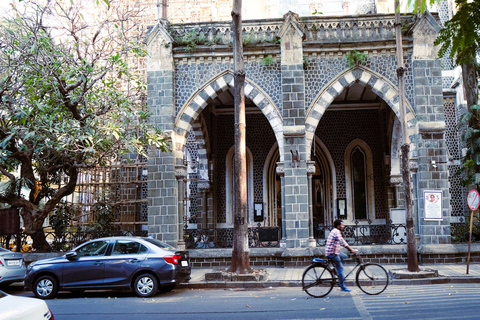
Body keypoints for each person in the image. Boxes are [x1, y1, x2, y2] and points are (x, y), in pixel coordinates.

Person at [325, 219, 358, 292]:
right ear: (338, 226)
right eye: (342, 225)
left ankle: (336, 270)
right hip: (332, 253)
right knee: (340, 268)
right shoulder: (336, 232)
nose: (343, 226)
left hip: (335, 251)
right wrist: (351, 250)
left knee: (345, 256)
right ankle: (342, 286)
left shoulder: (335, 231)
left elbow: (342, 241)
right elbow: (342, 242)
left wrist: (350, 249)